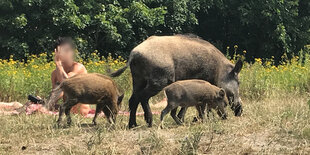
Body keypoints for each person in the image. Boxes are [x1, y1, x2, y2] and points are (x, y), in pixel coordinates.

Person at [51, 37, 91, 115]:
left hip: (81, 111)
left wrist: (58, 64)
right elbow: (56, 94)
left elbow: (67, 83)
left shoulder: (78, 67)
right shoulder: (54, 74)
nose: (65, 54)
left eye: (67, 51)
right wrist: (44, 103)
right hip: (67, 109)